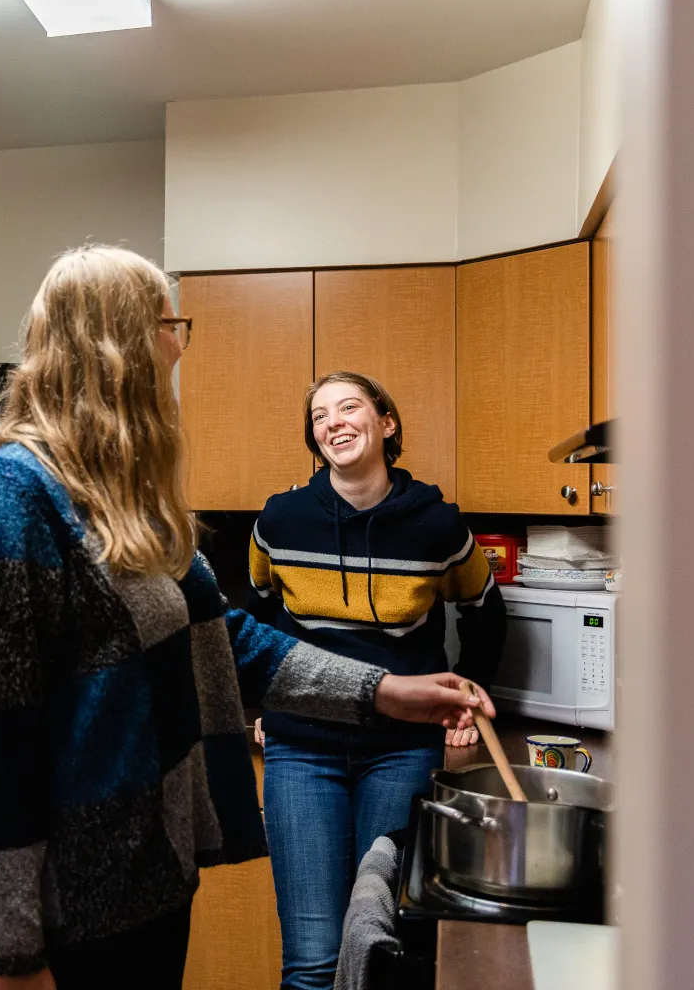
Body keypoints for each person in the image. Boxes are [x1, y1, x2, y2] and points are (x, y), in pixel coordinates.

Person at [0, 247, 495, 990]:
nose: (179, 346)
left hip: (152, 888)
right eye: (171, 325)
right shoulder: (14, 500)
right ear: (118, 344)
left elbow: (232, 639)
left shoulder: (125, 500)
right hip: (75, 919)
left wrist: (386, 692)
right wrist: (13, 963)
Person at [248, 370, 507, 990]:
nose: (332, 422)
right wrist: (260, 696)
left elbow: (485, 613)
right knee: (311, 959)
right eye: (319, 416)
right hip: (301, 748)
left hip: (400, 749)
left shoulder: (438, 525)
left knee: (379, 947)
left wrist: (462, 699)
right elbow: (256, 616)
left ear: (386, 423)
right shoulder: (280, 520)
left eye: (348, 407)